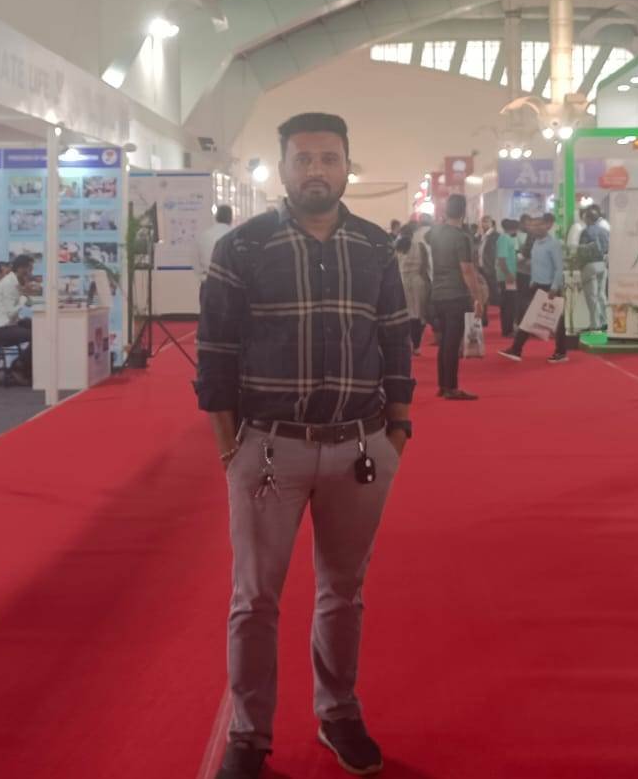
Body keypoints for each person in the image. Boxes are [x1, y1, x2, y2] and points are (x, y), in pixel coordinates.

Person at [198, 112, 411, 779]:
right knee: (255, 598)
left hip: (360, 448)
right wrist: (229, 447)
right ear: (284, 168)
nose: (316, 170)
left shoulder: (375, 247)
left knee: (343, 592)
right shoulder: (243, 247)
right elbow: (215, 353)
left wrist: (398, 430)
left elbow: (396, 338)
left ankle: (338, 712)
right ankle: (249, 734)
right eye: (303, 159)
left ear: (347, 165)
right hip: (268, 449)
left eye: (328, 158)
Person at [427, 194, 486, 400]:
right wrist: (478, 297)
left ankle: (443, 385)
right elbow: (467, 270)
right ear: (464, 212)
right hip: (456, 294)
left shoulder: (435, 233)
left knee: (445, 342)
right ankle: (451, 387)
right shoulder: (462, 237)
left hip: (437, 293)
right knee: (452, 343)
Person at [500, 212, 569, 364]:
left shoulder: (553, 244)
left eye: (539, 225)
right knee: (527, 317)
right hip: (536, 285)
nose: (535, 228)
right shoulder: (536, 243)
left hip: (550, 287)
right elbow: (536, 265)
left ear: (546, 226)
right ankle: (516, 349)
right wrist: (532, 281)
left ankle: (561, 352)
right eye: (533, 225)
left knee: (558, 321)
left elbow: (559, 268)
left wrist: (554, 287)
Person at [395, 221, 432, 355]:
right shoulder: (420, 246)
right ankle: (416, 345)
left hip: (402, 282)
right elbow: (426, 267)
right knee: (419, 315)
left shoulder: (396, 246)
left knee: (405, 314)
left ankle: (407, 341)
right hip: (418, 282)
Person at [579, 206, 610, 333]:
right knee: (601, 295)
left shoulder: (586, 232)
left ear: (587, 218)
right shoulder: (605, 231)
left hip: (590, 265)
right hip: (603, 264)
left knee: (592, 297)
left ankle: (595, 324)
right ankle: (606, 322)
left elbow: (582, 251)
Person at [494, 218, 520, 338]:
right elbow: (502, 259)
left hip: (508, 276)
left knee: (510, 303)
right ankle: (507, 330)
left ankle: (508, 328)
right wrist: (508, 274)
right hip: (506, 277)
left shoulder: (506, 238)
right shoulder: (504, 239)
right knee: (508, 304)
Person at [196, 204, 235, 283]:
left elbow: (195, 259)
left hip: (207, 280)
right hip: (228, 283)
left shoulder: (204, 235)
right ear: (230, 218)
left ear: (216, 217)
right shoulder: (234, 235)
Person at [477, 215, 500, 327]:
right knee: (483, 293)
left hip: (490, 268)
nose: (484, 224)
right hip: (481, 268)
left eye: (486, 222)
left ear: (492, 223)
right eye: (482, 222)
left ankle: (497, 317)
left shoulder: (496, 236)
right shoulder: (482, 236)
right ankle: (484, 316)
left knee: (492, 292)